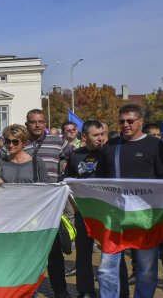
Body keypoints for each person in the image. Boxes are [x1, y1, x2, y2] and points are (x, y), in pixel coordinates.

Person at [0, 109, 72, 298]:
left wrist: (65, 177)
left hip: (45, 206)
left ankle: (60, 289)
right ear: (27, 124)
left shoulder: (57, 141)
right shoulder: (11, 145)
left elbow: (74, 156)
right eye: (33, 122)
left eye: (41, 121)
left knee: (53, 251)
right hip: (15, 215)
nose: (37, 125)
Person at [95, 104, 163, 298]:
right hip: (114, 217)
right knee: (106, 269)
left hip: (145, 218)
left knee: (147, 271)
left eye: (130, 121)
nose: (125, 124)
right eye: (122, 121)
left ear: (141, 121)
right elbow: (99, 179)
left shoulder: (157, 146)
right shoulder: (111, 146)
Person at [64, 120, 119, 298]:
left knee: (113, 253)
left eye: (102, 134)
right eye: (95, 135)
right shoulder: (75, 155)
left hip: (107, 214)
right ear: (84, 137)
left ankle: (121, 291)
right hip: (84, 213)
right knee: (83, 255)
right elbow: (67, 184)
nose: (100, 139)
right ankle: (85, 290)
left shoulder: (110, 153)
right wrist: (76, 208)